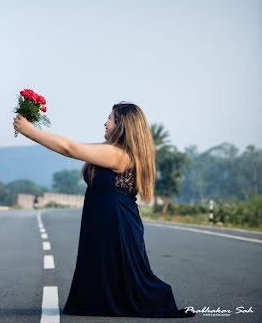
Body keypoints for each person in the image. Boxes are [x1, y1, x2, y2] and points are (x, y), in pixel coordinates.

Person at [13, 102, 195, 318]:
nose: (105, 122)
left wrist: (30, 131)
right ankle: (100, 303)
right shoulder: (113, 151)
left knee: (123, 271)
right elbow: (72, 145)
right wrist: (34, 132)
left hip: (115, 220)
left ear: (122, 125)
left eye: (110, 118)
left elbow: (70, 148)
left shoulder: (118, 155)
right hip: (107, 217)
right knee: (107, 265)